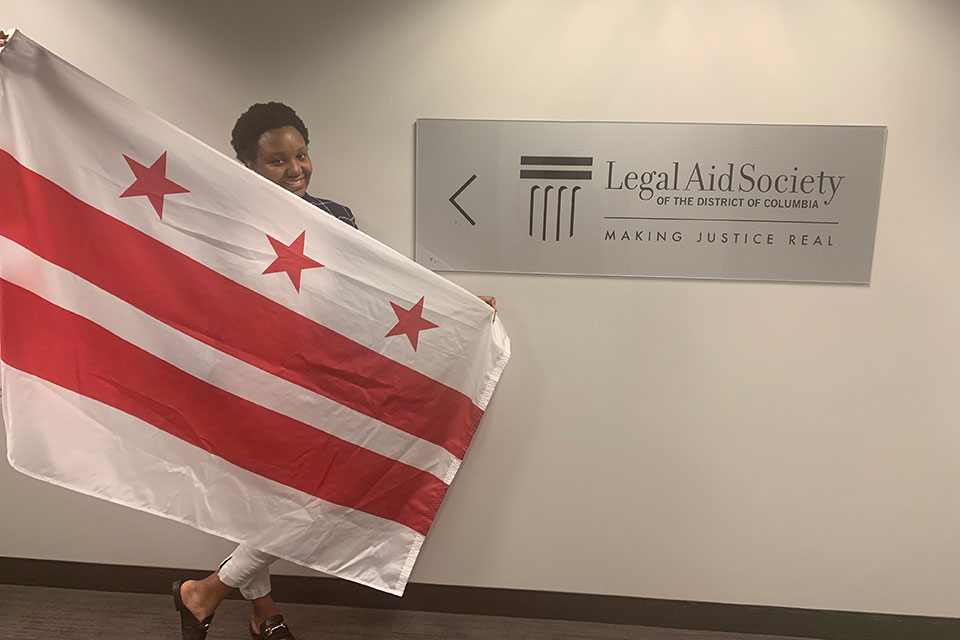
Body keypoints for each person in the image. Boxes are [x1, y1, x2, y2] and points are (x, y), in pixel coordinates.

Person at [172, 103, 495, 640]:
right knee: (260, 499)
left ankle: (207, 591)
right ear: (248, 164)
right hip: (247, 379)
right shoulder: (226, 216)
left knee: (312, 496)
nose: (296, 168)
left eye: (301, 154)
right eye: (277, 160)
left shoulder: (337, 217)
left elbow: (378, 290)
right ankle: (262, 614)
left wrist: (454, 308)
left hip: (319, 379)